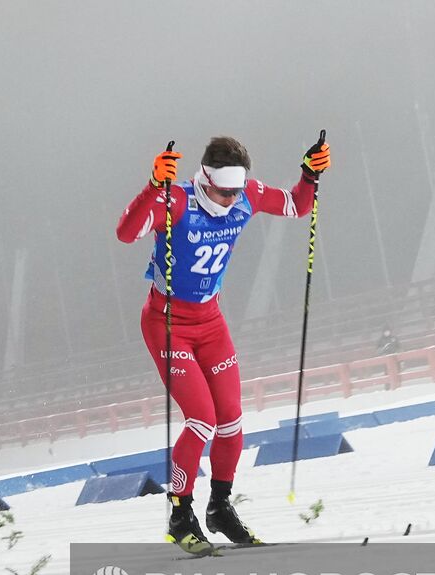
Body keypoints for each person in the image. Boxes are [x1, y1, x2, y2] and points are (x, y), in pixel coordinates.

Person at [115, 134, 329, 553]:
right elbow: (126, 233)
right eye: (223, 191)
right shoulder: (177, 201)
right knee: (202, 419)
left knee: (231, 420)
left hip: (211, 322)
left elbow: (297, 205)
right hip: (168, 323)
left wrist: (309, 173)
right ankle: (179, 514)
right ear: (205, 179)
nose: (231, 200)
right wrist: (152, 186)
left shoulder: (246, 193)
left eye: (236, 191)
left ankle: (220, 506)